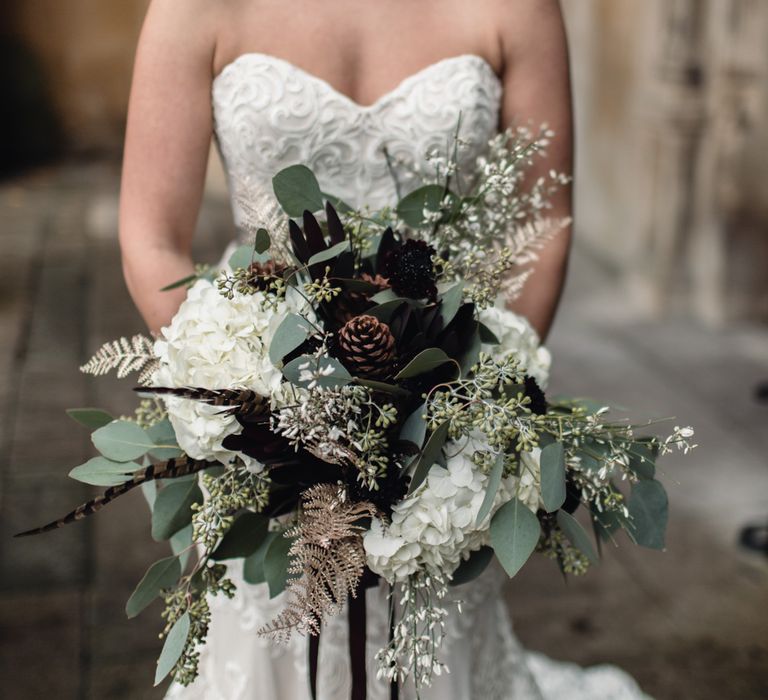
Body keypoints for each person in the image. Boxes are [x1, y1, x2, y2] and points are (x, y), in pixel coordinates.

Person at [119, 1, 649, 698]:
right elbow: (151, 235)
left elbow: (542, 219)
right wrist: (247, 404)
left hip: (444, 406)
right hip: (266, 415)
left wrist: (472, 403)